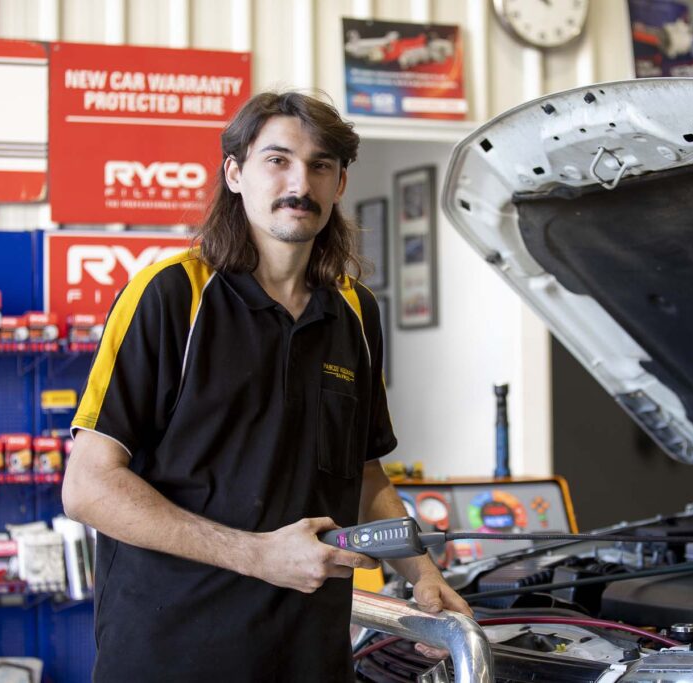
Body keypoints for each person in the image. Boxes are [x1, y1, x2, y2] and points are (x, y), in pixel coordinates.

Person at [62, 91, 471, 681]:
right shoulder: (171, 295)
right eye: (277, 160)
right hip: (173, 654)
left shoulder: (356, 312)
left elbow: (363, 474)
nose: (300, 183)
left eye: (320, 165)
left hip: (309, 655)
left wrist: (423, 574)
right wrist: (257, 555)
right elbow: (88, 486)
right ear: (235, 174)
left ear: (339, 184)